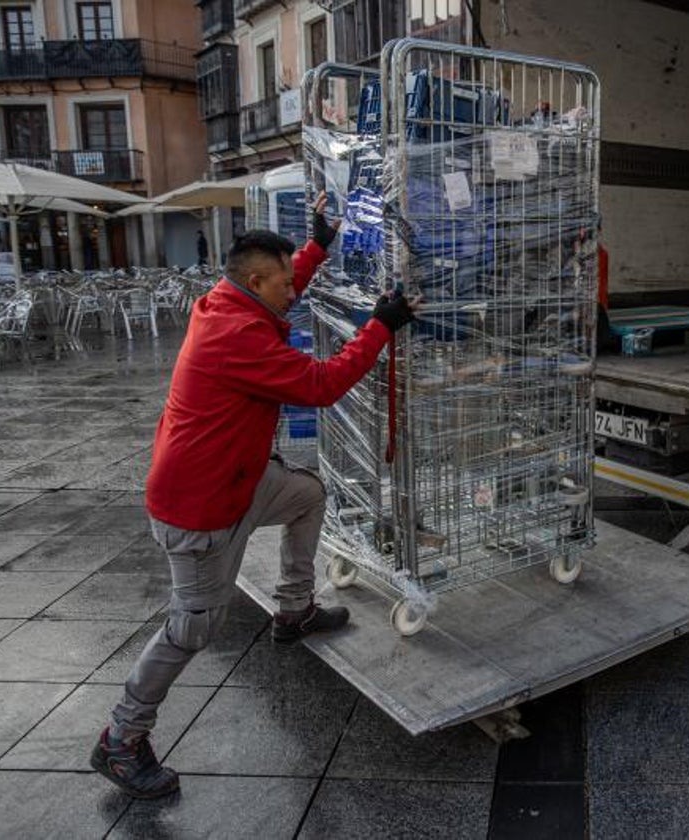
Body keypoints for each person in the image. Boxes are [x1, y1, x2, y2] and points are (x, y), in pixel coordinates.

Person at [91, 195, 417, 800]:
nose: (295, 291)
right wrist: (380, 327)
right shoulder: (236, 336)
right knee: (191, 628)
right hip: (201, 505)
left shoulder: (228, 302)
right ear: (256, 282)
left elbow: (280, 277)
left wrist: (317, 243)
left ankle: (292, 610)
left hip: (239, 479)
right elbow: (320, 385)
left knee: (307, 494)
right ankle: (121, 739)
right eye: (287, 283)